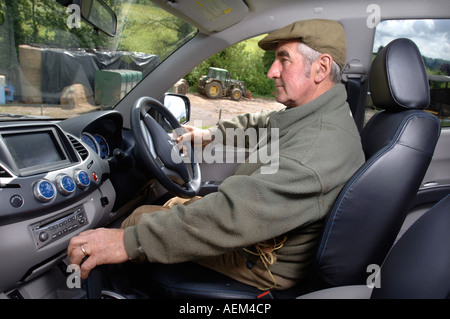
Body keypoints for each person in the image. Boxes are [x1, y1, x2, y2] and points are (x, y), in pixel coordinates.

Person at [68, 19, 365, 291]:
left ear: (321, 68)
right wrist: (208, 134)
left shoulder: (316, 147)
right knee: (170, 205)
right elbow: (261, 123)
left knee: (138, 221)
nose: (271, 71)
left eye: (283, 59)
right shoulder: (313, 116)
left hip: (263, 263)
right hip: (261, 232)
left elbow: (232, 216)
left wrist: (126, 241)